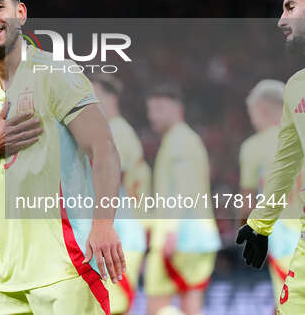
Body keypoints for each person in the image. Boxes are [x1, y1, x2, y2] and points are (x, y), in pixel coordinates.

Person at [0, 0, 125, 315]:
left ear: (20, 13)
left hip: (66, 268)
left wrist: (103, 224)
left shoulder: (57, 74)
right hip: (4, 278)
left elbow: (103, 149)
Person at [237, 0, 305, 314]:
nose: (281, 20)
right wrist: (259, 223)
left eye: (290, 7)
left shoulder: (251, 147)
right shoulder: (296, 85)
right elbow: (285, 163)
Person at [145, 84, 221, 315]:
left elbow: (183, 189)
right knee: (191, 305)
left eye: (158, 108)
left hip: (179, 237)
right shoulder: (184, 139)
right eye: (150, 109)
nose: (152, 115)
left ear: (177, 108)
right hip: (196, 235)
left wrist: (171, 230)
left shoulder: (179, 141)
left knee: (157, 306)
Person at [238, 80, 302, 307]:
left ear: (262, 109)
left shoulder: (253, 146)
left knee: (289, 303)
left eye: (251, 114)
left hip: (284, 236)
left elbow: (247, 202)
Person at [90, 75, 151, 314]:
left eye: (94, 94)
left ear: (111, 96)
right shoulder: (114, 130)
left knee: (113, 306)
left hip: (121, 233)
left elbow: (110, 179)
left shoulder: (117, 131)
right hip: (120, 232)